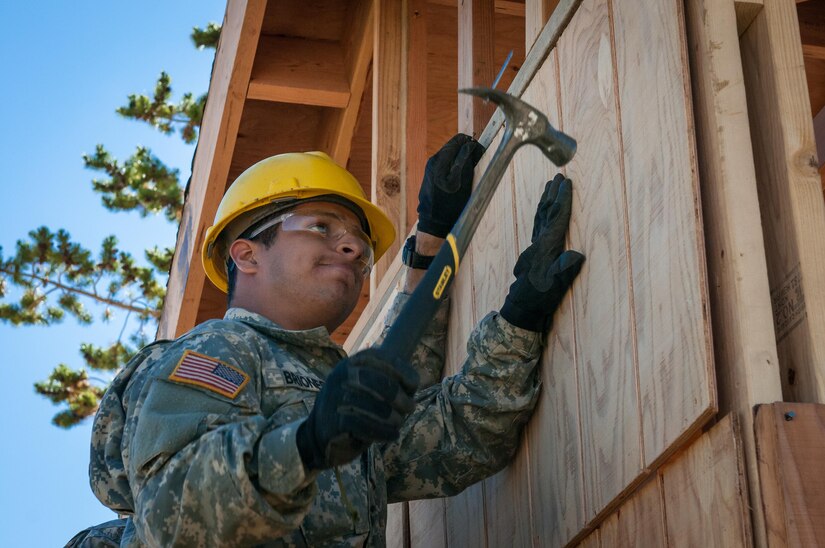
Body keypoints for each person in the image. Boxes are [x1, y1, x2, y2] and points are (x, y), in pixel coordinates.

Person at [67, 134, 584, 547]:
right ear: (246, 255)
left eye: (360, 248)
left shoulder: (321, 390)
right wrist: (308, 443)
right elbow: (175, 515)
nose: (353, 247)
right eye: (320, 225)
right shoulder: (216, 352)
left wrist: (519, 318)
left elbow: (457, 436)